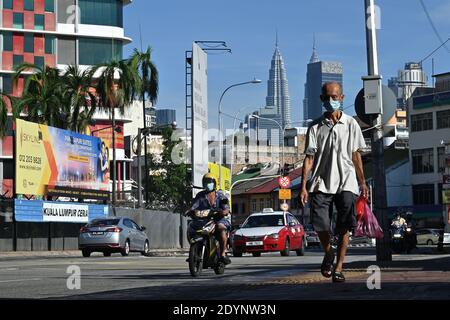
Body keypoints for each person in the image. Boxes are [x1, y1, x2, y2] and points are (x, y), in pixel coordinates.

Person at [300, 82, 368, 283]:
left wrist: (362, 182)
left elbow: (356, 155)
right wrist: (303, 185)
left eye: (335, 97)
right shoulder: (315, 127)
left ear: (342, 97)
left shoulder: (351, 124)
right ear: (322, 99)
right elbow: (309, 158)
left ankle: (339, 267)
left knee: (345, 225)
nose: (332, 101)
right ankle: (328, 252)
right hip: (321, 182)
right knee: (320, 223)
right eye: (328, 97)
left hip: (347, 182)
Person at [189, 173, 232, 265]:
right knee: (192, 227)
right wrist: (190, 210)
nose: (207, 184)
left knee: (221, 229)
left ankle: (223, 254)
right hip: (204, 220)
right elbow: (194, 206)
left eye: (210, 182)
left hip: (218, 219)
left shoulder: (220, 195)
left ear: (215, 183)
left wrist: (224, 211)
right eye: (205, 182)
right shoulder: (200, 195)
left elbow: (226, 207)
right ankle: (195, 253)